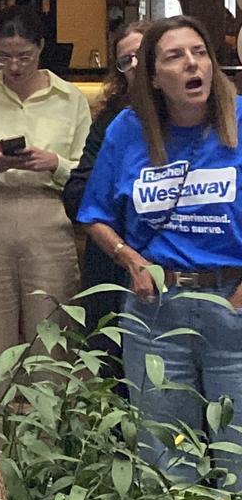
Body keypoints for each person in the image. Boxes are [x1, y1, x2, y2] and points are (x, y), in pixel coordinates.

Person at [78, 15, 242, 487]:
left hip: (230, 302)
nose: (192, 64)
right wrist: (130, 260)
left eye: (199, 52)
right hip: (155, 308)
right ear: (152, 76)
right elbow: (94, 213)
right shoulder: (128, 129)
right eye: (175, 56)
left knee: (236, 456)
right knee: (165, 455)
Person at [0, 5, 91, 359]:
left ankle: (52, 413)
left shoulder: (69, 99)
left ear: (41, 48)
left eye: (24, 57)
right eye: (4, 57)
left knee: (52, 331)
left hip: (48, 217)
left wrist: (54, 163)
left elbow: (89, 178)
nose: (14, 67)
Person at [62, 21, 150, 353]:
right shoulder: (112, 120)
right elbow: (77, 191)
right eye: (125, 61)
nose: (135, 66)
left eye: (142, 54)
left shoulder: (199, 116)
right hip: (112, 264)